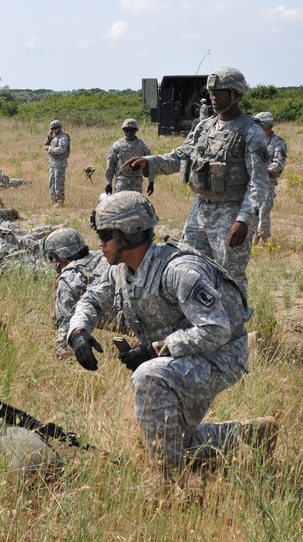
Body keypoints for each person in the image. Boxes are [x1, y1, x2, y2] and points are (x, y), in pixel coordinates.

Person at [66, 192, 277, 474]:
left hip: (219, 357)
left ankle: (171, 487)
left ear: (127, 235)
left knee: (148, 378)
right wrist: (78, 331)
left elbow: (216, 329)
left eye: (106, 234)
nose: (99, 243)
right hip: (183, 359)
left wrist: (157, 348)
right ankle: (248, 434)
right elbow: (91, 299)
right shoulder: (120, 270)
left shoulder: (178, 270)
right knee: (174, 442)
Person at [124, 67, 269, 294]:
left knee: (230, 278)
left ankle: (234, 328)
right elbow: (182, 156)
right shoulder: (204, 126)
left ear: (236, 94)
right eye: (211, 92)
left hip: (231, 212)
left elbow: (258, 182)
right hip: (200, 211)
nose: (213, 96)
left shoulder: (251, 131)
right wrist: (149, 162)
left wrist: (244, 220)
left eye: (219, 92)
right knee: (190, 270)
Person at [42, 228, 114, 356]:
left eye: (51, 257)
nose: (50, 262)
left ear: (62, 257)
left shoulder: (70, 277)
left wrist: (64, 353)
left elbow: (67, 324)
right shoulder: (100, 257)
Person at [253, 112, 287, 245]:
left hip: (267, 182)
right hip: (253, 182)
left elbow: (279, 163)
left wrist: (263, 169)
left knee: (264, 211)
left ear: (267, 126)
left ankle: (263, 239)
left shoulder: (277, 143)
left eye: (260, 125)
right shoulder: (255, 140)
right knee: (252, 211)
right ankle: (254, 236)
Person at [105, 118, 154, 195]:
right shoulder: (117, 145)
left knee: (136, 205)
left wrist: (151, 182)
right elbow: (111, 165)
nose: (129, 132)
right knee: (121, 204)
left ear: (136, 130)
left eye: (132, 130)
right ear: (123, 130)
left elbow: (150, 164)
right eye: (126, 130)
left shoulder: (143, 146)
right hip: (121, 181)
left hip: (137, 182)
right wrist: (108, 183)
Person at [44, 119, 70, 207]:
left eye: (55, 129)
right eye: (52, 129)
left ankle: (60, 202)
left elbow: (61, 150)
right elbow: (45, 145)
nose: (53, 131)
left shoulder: (63, 137)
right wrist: (49, 136)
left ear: (59, 128)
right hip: (52, 163)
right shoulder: (53, 137)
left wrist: (50, 149)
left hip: (60, 164)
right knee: (51, 183)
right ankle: (53, 200)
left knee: (58, 184)